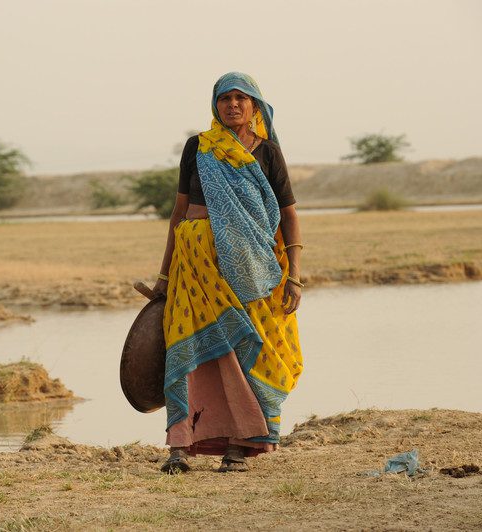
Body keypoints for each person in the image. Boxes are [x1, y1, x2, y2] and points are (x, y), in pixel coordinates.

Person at [153, 72, 304, 473]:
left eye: (241, 98)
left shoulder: (267, 153)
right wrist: (164, 275)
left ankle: (239, 444)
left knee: (244, 351)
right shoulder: (198, 148)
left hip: (251, 268)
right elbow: (179, 212)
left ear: (255, 106)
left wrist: (295, 275)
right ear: (215, 105)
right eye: (225, 98)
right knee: (184, 347)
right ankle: (179, 447)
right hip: (194, 267)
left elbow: (288, 214)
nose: (233, 105)